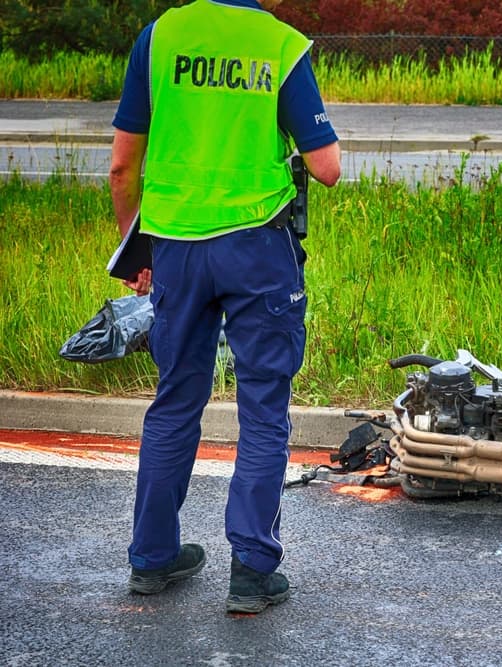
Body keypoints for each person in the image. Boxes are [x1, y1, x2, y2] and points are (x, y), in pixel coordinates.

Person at [109, 0, 341, 614]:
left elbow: (121, 166)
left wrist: (139, 249)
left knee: (175, 398)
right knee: (263, 405)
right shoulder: (279, 43)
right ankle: (252, 570)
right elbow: (328, 167)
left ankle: (152, 559)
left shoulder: (158, 38)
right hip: (257, 245)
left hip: (176, 246)